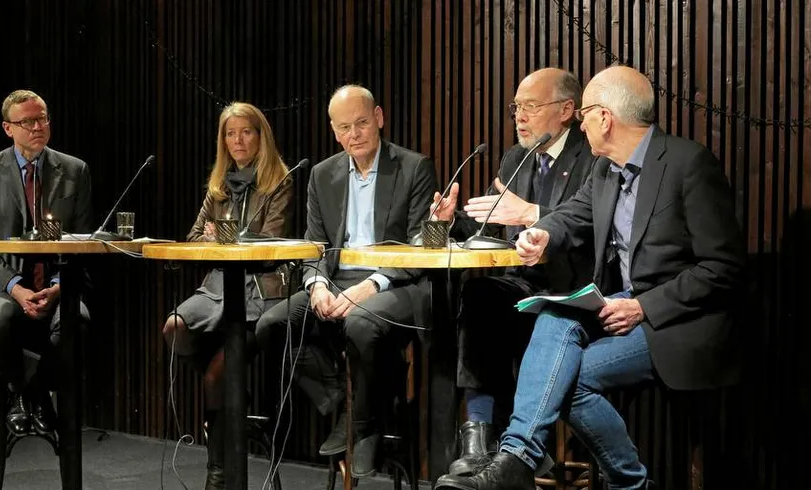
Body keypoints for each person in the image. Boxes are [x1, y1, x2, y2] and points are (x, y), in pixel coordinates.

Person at [434, 66, 746, 490]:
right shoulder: (605, 171)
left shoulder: (688, 164)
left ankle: (629, 485)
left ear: (605, 117)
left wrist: (643, 306)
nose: (580, 122)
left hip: (675, 321)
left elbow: (723, 268)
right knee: (553, 317)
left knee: (569, 380)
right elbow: (572, 217)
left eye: (584, 114)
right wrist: (542, 232)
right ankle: (518, 459)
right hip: (615, 305)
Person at [255, 84, 436, 478]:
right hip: (336, 278)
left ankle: (360, 420)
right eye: (343, 128)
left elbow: (420, 248)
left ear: (379, 119)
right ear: (333, 131)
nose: (353, 135)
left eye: (361, 124)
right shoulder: (322, 175)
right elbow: (315, 245)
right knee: (272, 325)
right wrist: (317, 285)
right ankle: (349, 401)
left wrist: (370, 286)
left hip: (395, 282)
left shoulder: (414, 167)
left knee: (359, 322)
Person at [430, 68, 596, 479]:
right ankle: (479, 439)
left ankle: (519, 451)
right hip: (523, 281)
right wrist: (452, 221)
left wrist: (533, 213)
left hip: (572, 284)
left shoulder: (591, 155)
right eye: (516, 107)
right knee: (480, 296)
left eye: (530, 107)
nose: (519, 116)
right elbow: (491, 229)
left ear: (567, 110)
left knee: (497, 317)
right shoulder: (514, 157)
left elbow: (591, 223)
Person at [161, 102, 293, 489]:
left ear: (260, 136)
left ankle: (217, 471)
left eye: (245, 132)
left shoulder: (280, 182)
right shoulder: (218, 187)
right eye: (230, 134)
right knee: (174, 328)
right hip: (217, 287)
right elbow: (192, 237)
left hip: (260, 293)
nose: (238, 140)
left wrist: (224, 237)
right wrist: (213, 238)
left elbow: (272, 240)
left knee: (217, 374)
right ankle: (230, 403)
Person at [0, 89, 93, 436]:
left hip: (55, 280)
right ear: (9, 128)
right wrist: (17, 289)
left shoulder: (74, 170)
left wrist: (56, 288)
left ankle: (28, 389)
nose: (38, 127)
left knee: (75, 320)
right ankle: (33, 396)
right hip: (0, 282)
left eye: (43, 119)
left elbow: (84, 244)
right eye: (28, 121)